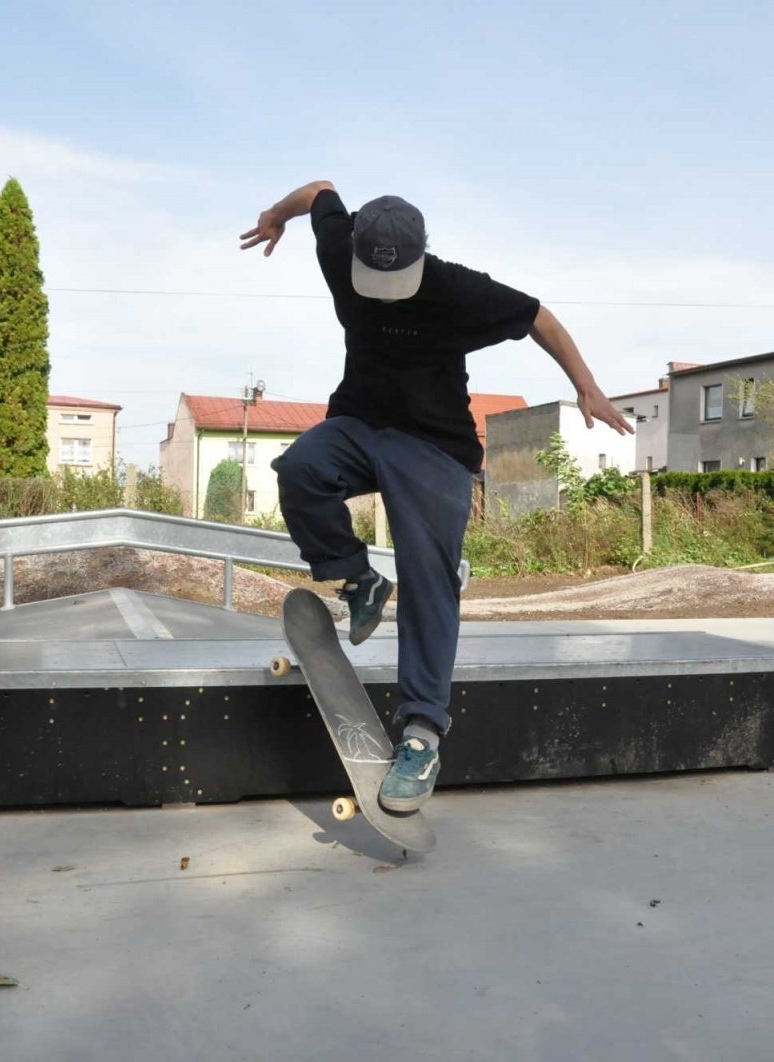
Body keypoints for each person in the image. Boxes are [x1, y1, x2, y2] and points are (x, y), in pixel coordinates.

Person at [240, 181, 633, 812]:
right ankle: (359, 580)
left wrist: (586, 385)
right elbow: (319, 191)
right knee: (301, 470)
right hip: (360, 425)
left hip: (436, 444)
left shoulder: (456, 287)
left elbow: (540, 316)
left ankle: (422, 734)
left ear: (423, 255)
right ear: (355, 250)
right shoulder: (338, 246)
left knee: (430, 576)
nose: (384, 292)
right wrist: (273, 215)